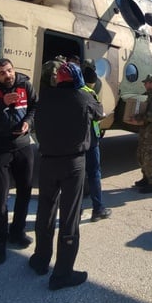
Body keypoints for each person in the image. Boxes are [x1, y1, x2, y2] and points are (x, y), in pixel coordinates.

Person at [29, 62, 103, 290]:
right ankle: (62, 273)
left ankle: (40, 259)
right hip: (73, 163)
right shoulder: (83, 97)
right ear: (78, 78)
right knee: (69, 215)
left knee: (45, 210)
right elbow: (100, 113)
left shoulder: (45, 98)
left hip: (48, 161)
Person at [0, 58, 36, 265]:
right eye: (2, 73)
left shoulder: (25, 84)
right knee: (0, 197)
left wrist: (28, 123)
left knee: (25, 191)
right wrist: (2, 102)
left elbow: (34, 108)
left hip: (22, 146)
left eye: (9, 70)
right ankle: (0, 241)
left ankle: (17, 232)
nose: (8, 75)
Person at [81, 60, 112, 221]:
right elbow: (99, 114)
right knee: (94, 174)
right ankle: (98, 209)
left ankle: (76, 211)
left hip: (75, 141)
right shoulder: (89, 94)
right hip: (90, 139)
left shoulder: (69, 91)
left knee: (76, 175)